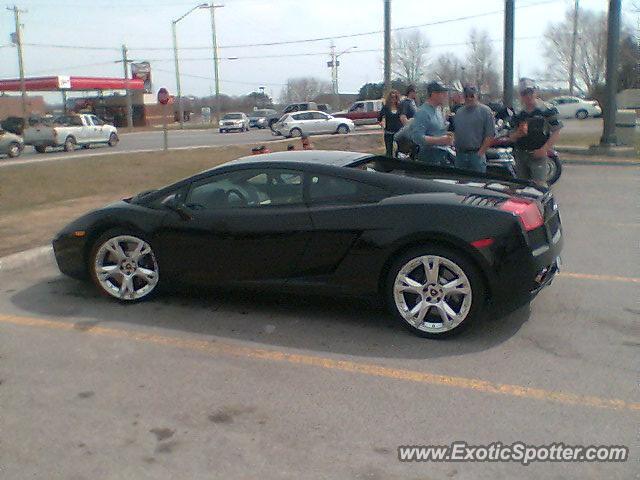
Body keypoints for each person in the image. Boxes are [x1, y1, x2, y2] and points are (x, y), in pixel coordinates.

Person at [509, 78, 563, 186]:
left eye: (530, 92)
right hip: (520, 154)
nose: (528, 96)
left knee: (539, 187)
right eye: (524, 93)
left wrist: (544, 149)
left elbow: (556, 132)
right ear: (520, 95)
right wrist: (518, 133)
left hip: (538, 153)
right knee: (521, 187)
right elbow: (511, 136)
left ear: (535, 92)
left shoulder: (547, 109)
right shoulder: (517, 112)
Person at [452, 85, 496, 173]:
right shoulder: (459, 112)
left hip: (476, 155)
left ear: (477, 96)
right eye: (466, 96)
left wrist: (480, 153)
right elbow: (455, 132)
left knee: (477, 184)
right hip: (460, 155)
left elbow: (490, 135)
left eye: (472, 96)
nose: (469, 98)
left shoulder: (486, 111)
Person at [409, 81, 453, 165]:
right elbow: (417, 137)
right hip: (429, 158)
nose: (445, 96)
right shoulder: (423, 112)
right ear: (433, 94)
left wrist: (447, 135)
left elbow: (435, 131)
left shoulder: (439, 110)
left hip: (442, 157)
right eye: (442, 93)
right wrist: (440, 140)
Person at [377, 89, 402, 157]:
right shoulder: (386, 107)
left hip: (399, 132)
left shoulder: (400, 107)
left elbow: (404, 116)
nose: (393, 99)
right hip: (389, 132)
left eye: (395, 97)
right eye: (392, 97)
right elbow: (379, 118)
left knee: (400, 151)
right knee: (389, 152)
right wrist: (381, 123)